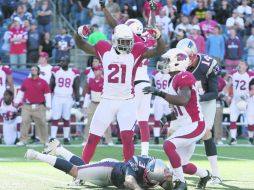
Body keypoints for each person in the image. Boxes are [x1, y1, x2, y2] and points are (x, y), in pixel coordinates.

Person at [75, 23, 165, 163]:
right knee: (93, 139)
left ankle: (128, 171)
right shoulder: (104, 49)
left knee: (128, 139)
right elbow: (81, 45)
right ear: (115, 40)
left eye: (129, 42)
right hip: (107, 100)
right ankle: (80, 171)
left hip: (127, 101)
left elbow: (159, 50)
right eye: (123, 42)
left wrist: (158, 37)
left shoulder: (136, 50)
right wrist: (79, 34)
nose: (127, 45)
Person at [143, 48, 211, 190]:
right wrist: (168, 117)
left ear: (178, 62)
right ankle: (205, 175)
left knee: (168, 145)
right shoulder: (172, 80)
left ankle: (181, 183)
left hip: (194, 124)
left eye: (168, 60)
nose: (164, 63)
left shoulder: (184, 75)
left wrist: (159, 93)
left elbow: (183, 100)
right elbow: (180, 110)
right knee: (182, 165)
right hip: (186, 124)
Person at [25, 139, 173, 190]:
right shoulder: (138, 164)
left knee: (84, 171)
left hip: (109, 182)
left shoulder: (156, 172)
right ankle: (38, 155)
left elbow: (167, 186)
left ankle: (59, 149)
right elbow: (129, 181)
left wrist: (168, 181)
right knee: (76, 172)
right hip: (108, 170)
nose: (167, 173)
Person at [176, 38, 221, 185]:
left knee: (206, 133)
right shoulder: (179, 66)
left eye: (185, 57)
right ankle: (179, 168)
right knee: (177, 132)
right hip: (188, 103)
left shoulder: (207, 65)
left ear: (193, 56)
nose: (181, 60)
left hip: (206, 102)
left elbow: (214, 93)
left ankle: (216, 174)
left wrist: (197, 97)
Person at [14, 66, 51, 146]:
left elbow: (47, 94)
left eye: (35, 69)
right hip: (27, 106)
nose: (33, 71)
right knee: (24, 122)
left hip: (39, 106)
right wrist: (16, 102)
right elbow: (21, 92)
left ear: (38, 71)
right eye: (32, 69)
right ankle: (23, 140)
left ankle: (45, 140)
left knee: (42, 123)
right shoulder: (26, 81)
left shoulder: (43, 82)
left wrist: (48, 105)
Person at [50, 55, 80, 144]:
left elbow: (76, 87)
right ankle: (52, 137)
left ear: (68, 62)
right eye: (60, 61)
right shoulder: (56, 71)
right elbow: (51, 84)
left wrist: (77, 99)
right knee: (55, 117)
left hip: (68, 97)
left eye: (63, 61)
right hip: (57, 97)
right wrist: (48, 96)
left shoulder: (73, 72)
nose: (61, 63)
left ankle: (66, 137)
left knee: (66, 118)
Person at [223, 61, 254, 145]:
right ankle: (233, 138)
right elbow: (229, 84)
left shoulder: (251, 75)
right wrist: (224, 93)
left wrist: (246, 96)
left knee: (250, 120)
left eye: (242, 64)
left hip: (248, 100)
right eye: (239, 64)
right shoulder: (233, 73)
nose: (240, 65)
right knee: (232, 119)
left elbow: (253, 89)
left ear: (246, 67)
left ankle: (251, 138)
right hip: (236, 99)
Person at [83, 64, 113, 145]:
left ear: (101, 71)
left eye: (98, 70)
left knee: (106, 122)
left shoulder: (105, 81)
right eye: (95, 70)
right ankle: (86, 140)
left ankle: (109, 140)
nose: (96, 71)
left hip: (103, 104)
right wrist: (85, 106)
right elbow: (87, 94)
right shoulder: (91, 80)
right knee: (89, 122)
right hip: (93, 103)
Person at [151, 67, 171, 144]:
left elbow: (153, 82)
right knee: (169, 119)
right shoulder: (169, 74)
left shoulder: (156, 74)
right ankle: (168, 136)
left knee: (157, 119)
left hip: (159, 99)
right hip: (167, 98)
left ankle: (156, 137)